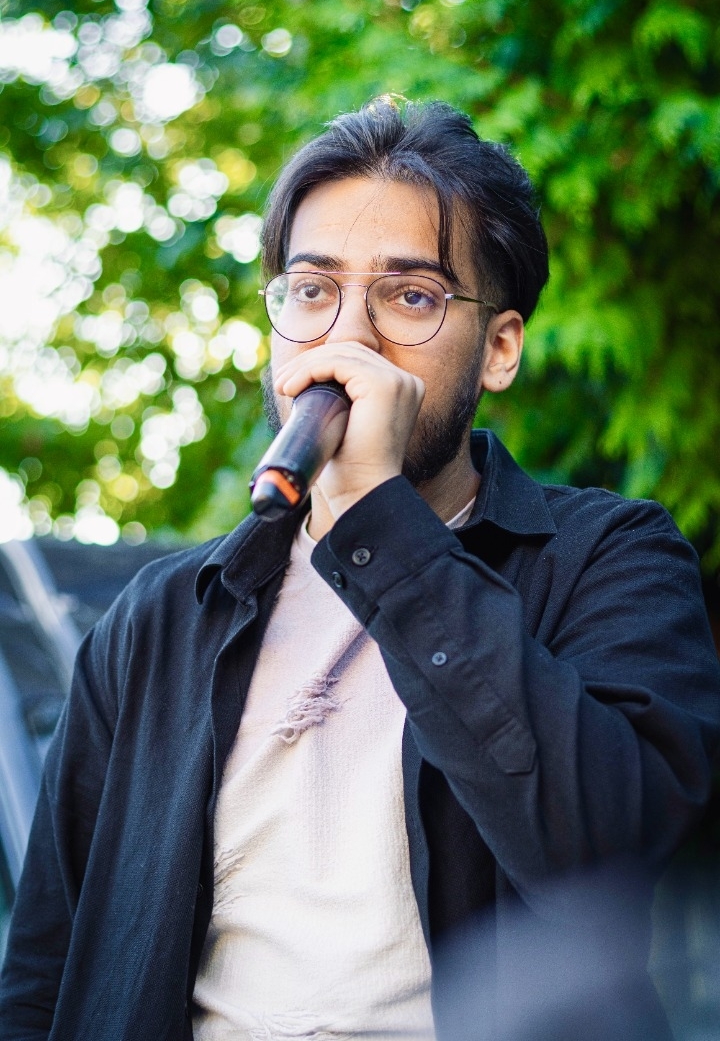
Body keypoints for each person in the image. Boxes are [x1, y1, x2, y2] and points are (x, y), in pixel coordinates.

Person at [1, 96, 719, 1041]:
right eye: (312, 290)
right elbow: (45, 969)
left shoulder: (608, 558)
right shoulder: (161, 617)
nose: (348, 338)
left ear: (499, 348)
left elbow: (607, 854)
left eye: (410, 296)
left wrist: (379, 517)